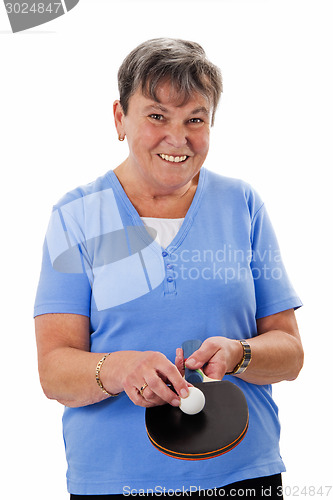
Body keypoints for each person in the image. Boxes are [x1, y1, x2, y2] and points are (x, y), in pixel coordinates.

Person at [34, 38, 304, 499]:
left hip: (243, 475)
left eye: (195, 119)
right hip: (115, 482)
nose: (178, 138)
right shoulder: (78, 215)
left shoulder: (242, 204)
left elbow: (290, 352)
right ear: (120, 119)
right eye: (157, 116)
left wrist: (240, 354)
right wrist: (117, 370)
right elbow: (54, 370)